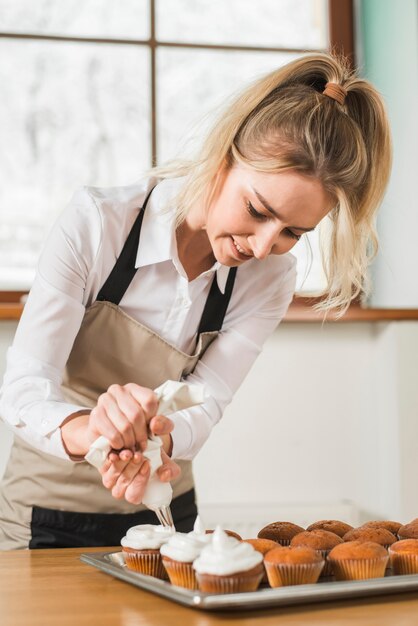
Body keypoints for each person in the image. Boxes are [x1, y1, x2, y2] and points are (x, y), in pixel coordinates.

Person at [0, 53, 391, 549]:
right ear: (222, 159)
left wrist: (154, 442)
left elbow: (207, 402)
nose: (264, 246)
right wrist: (95, 433)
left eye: (293, 232)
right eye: (257, 210)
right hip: (44, 513)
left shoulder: (269, 278)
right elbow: (25, 388)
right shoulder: (99, 224)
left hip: (167, 511)